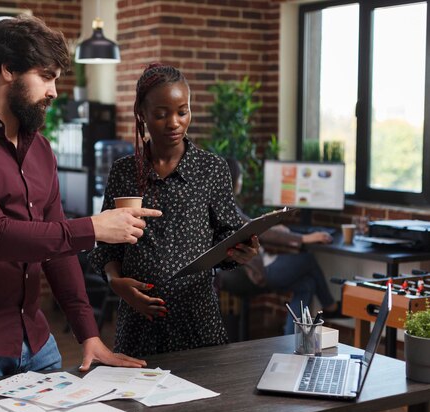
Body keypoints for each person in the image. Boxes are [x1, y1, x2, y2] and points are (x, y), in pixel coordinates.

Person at [0, 15, 163, 386]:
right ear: (8, 70)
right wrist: (94, 228)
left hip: (34, 340)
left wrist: (88, 334)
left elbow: (56, 249)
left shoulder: (42, 150)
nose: (54, 91)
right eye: (46, 76)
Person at [88, 63, 260, 358]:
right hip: (138, 322)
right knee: (133, 401)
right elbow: (106, 248)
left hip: (198, 319)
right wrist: (117, 284)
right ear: (142, 114)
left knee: (202, 401)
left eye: (183, 111)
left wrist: (242, 250)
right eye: (161, 114)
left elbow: (229, 236)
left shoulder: (212, 169)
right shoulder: (123, 172)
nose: (174, 123)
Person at [215, 158, 341, 335]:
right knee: (308, 260)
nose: (242, 182)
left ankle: (292, 340)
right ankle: (330, 306)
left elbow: (249, 227)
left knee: (307, 283)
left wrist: (273, 227)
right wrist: (305, 238)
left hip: (251, 267)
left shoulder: (224, 205)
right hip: (256, 270)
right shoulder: (227, 207)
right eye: (241, 177)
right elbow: (256, 231)